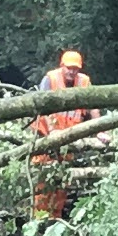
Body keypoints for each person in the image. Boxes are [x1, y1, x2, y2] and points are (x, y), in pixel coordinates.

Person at [30, 46, 88, 218]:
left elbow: (92, 106)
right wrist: (53, 131)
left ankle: (56, 219)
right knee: (43, 181)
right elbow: (43, 107)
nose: (72, 71)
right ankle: (39, 220)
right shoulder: (50, 79)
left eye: (75, 68)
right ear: (62, 66)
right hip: (46, 138)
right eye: (69, 68)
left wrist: (101, 130)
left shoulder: (84, 82)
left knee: (62, 182)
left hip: (68, 139)